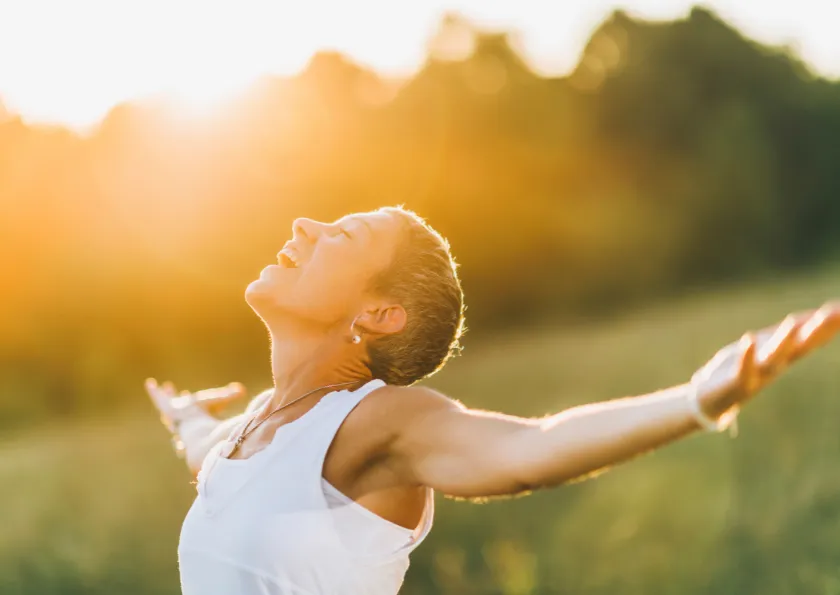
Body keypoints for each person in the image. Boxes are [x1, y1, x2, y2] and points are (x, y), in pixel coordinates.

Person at [146, 206, 840, 595]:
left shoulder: (375, 421)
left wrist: (695, 400)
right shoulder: (253, 430)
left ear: (379, 314)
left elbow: (529, 451)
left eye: (341, 236)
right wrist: (186, 417)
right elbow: (208, 453)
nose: (303, 225)